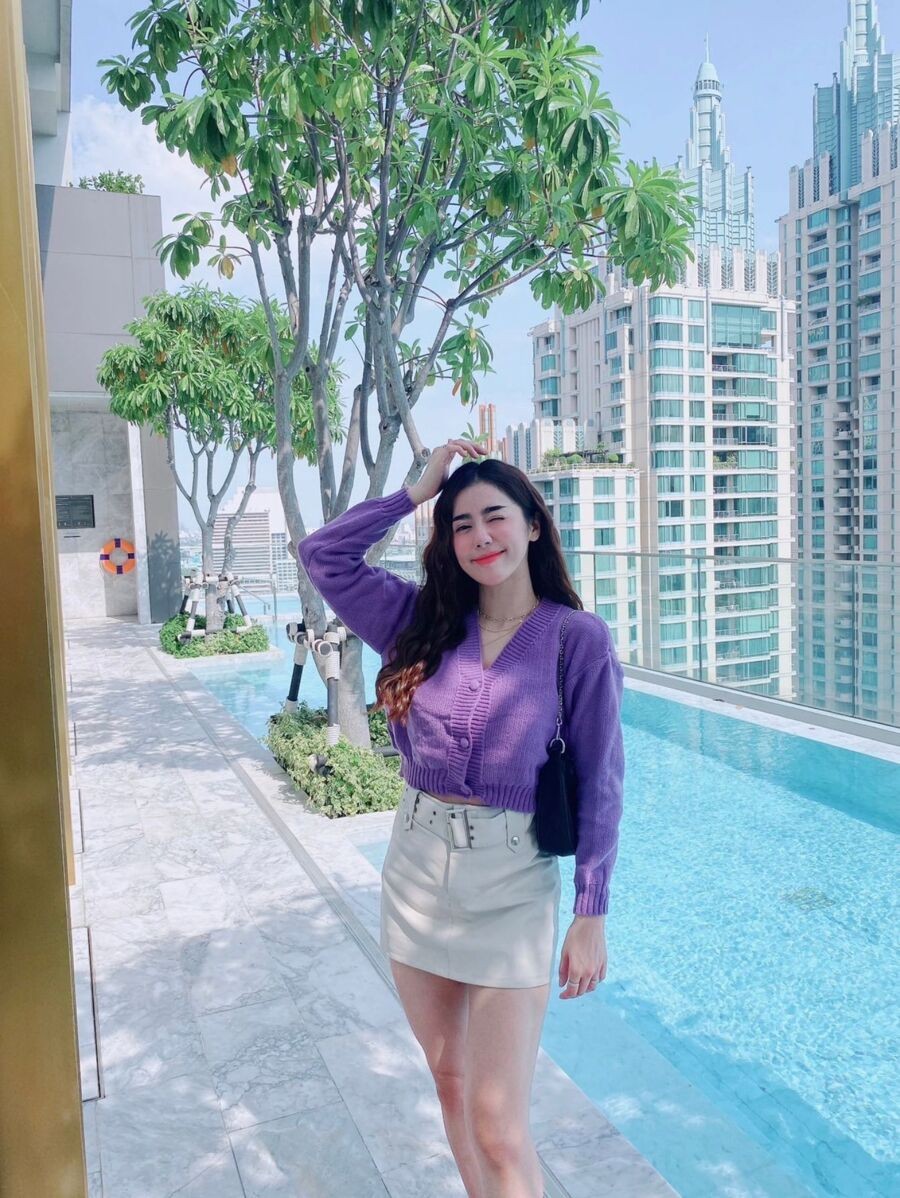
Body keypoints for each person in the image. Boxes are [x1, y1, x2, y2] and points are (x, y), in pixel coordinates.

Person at [298, 440, 625, 1198]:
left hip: (511, 888)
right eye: (461, 524)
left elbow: (601, 779)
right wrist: (415, 494)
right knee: (450, 1083)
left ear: (533, 525)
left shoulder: (576, 639)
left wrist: (592, 910)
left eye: (495, 517)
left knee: (498, 1125)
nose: (481, 537)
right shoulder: (418, 620)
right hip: (415, 873)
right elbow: (322, 556)